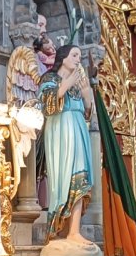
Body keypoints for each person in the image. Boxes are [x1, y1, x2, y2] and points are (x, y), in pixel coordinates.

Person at [40, 43, 95, 242]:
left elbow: (88, 112)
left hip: (79, 130)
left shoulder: (78, 85)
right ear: (63, 57)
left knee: (80, 177)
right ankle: (58, 229)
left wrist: (88, 97)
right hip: (61, 132)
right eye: (74, 55)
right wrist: (67, 83)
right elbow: (47, 105)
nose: (78, 59)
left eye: (79, 56)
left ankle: (74, 231)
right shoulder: (49, 78)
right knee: (63, 179)